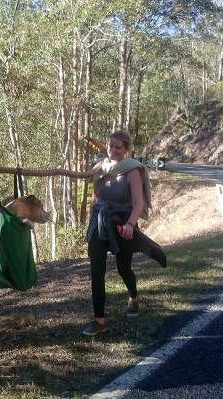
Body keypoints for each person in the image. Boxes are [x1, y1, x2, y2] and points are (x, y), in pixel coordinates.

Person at [82, 130, 165, 337]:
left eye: (118, 147)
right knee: (96, 271)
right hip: (100, 223)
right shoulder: (101, 167)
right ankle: (99, 320)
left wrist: (130, 224)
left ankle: (133, 298)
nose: (113, 151)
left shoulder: (132, 170)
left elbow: (138, 203)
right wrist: (90, 224)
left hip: (122, 224)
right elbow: (95, 199)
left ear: (126, 149)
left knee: (123, 269)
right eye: (110, 146)